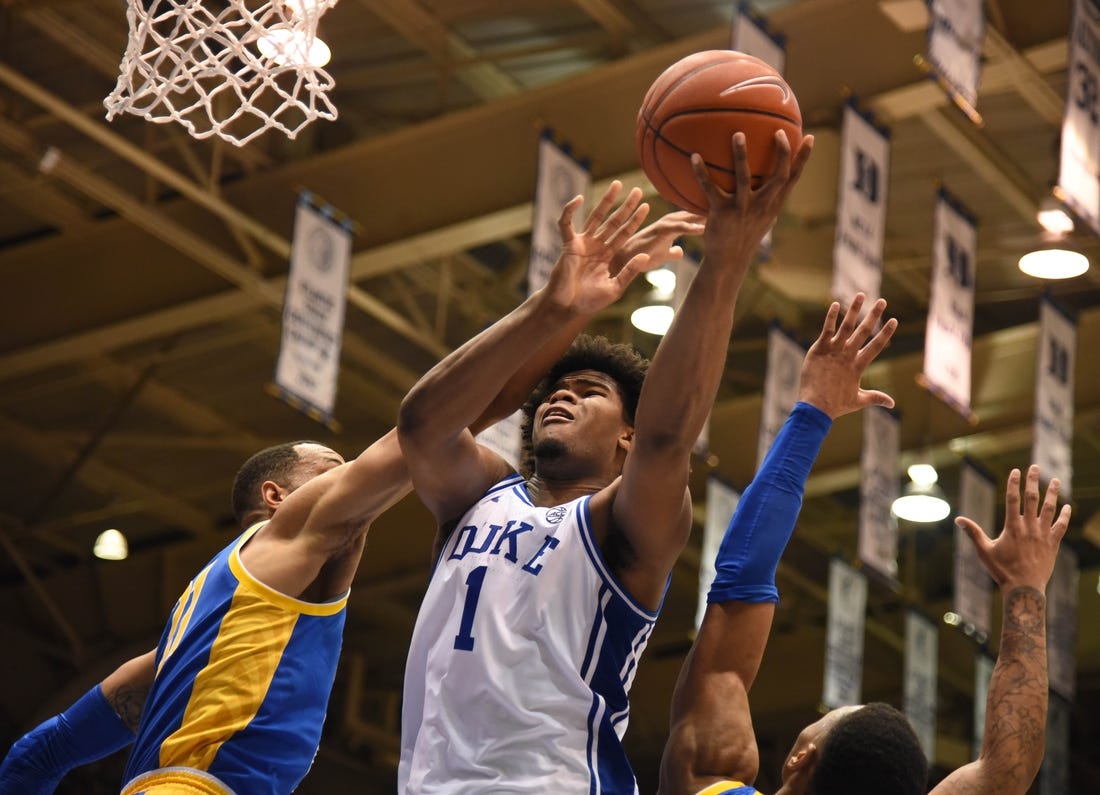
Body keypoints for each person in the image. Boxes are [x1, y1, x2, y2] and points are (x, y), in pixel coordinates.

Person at [0, 208, 703, 795]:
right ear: (278, 498)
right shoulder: (299, 531)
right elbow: (433, 425)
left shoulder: (200, 624)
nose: (357, 483)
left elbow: (43, 750)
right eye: (334, 471)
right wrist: (556, 311)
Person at [396, 129, 813, 793]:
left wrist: (725, 261)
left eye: (589, 393)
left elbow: (668, 437)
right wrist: (555, 307)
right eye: (555, 392)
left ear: (626, 436)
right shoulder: (480, 495)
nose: (560, 395)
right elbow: (421, 424)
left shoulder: (623, 525)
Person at [658, 334, 1072, 795]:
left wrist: (812, 413)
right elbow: (1008, 766)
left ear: (800, 758)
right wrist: (1027, 589)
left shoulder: (708, 781)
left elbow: (741, 583)